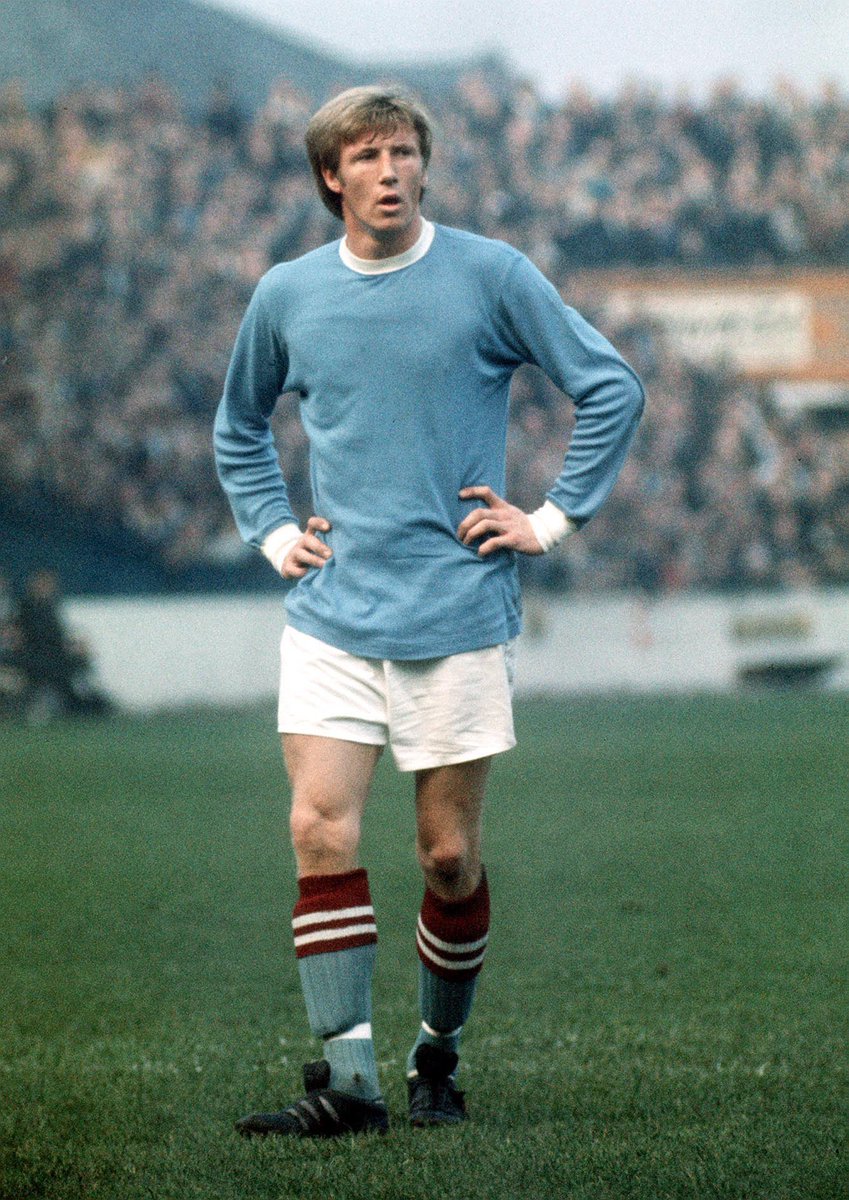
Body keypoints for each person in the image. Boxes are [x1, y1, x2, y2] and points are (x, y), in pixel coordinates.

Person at [214, 85, 644, 1138]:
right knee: (318, 826)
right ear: (332, 177)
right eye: (367, 156)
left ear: (423, 165)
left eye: (404, 151)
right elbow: (238, 427)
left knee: (447, 857)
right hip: (331, 614)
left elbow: (611, 386)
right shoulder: (288, 294)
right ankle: (349, 1081)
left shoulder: (491, 275)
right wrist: (273, 532)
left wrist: (549, 520)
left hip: (454, 611)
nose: (390, 171)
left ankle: (435, 1058)